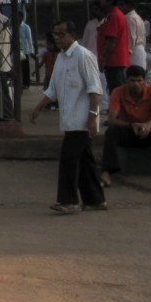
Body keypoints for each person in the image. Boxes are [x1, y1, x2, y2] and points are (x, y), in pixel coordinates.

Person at [28, 20, 107, 214]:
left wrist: (92, 116)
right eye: (56, 34)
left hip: (81, 120)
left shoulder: (83, 56)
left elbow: (95, 89)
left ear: (72, 35)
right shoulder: (61, 59)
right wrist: (38, 108)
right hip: (69, 119)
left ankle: (68, 200)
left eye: (62, 34)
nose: (58, 38)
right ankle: (95, 199)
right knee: (85, 160)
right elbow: (53, 90)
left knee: (69, 159)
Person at [98, 0, 131, 94]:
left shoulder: (114, 16)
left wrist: (103, 58)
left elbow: (111, 40)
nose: (100, 1)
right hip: (114, 60)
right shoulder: (112, 15)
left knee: (117, 91)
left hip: (115, 61)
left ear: (110, 1)